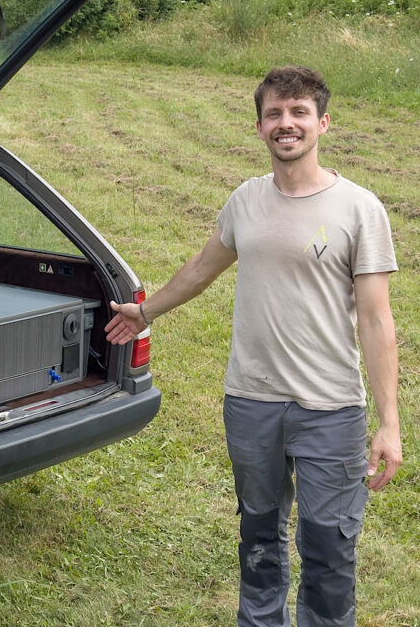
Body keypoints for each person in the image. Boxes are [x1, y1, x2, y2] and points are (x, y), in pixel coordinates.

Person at [105, 65, 401, 627]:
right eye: (274, 114)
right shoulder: (246, 200)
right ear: (260, 126)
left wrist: (389, 423)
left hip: (330, 408)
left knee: (330, 547)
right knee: (259, 537)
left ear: (323, 123)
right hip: (251, 403)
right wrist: (145, 311)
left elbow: (376, 319)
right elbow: (202, 269)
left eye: (299, 112)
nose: (286, 123)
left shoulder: (359, 209)